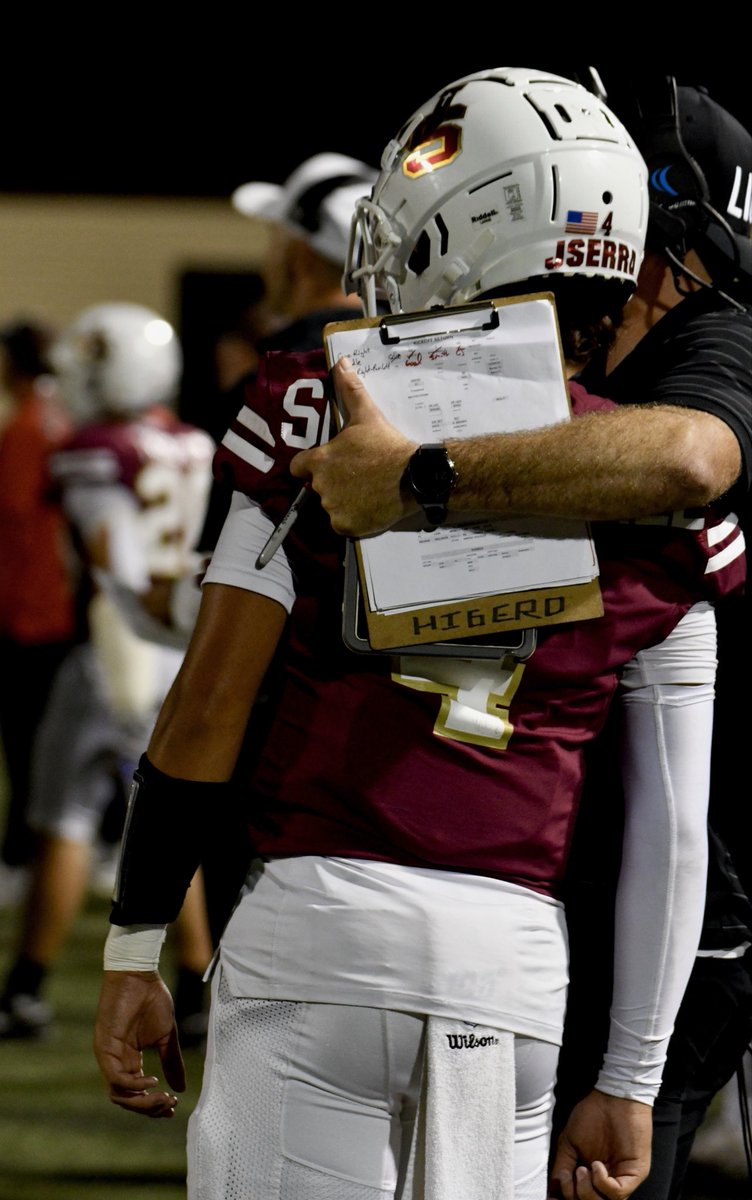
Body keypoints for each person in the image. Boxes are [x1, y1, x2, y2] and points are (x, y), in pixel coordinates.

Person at [92, 69, 743, 1200]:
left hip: (316, 931)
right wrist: (630, 1077)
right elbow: (671, 829)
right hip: (513, 967)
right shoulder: (654, 484)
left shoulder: (315, 402)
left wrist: (137, 942)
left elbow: (204, 708)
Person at [292, 75, 752, 1197]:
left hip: (673, 906)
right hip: (557, 878)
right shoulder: (570, 364)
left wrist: (418, 477)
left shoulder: (712, 348)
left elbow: (687, 460)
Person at [0, 302, 216, 1043]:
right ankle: (195, 982)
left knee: (61, 818)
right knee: (167, 820)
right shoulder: (197, 443)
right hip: (184, 652)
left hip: (115, 644)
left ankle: (25, 985)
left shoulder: (94, 449)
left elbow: (111, 559)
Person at [0, 319, 76, 896]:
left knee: (26, 741)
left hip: (29, 606)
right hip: (63, 603)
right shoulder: (62, 415)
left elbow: (17, 524)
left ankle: (22, 854)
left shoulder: (28, 427)